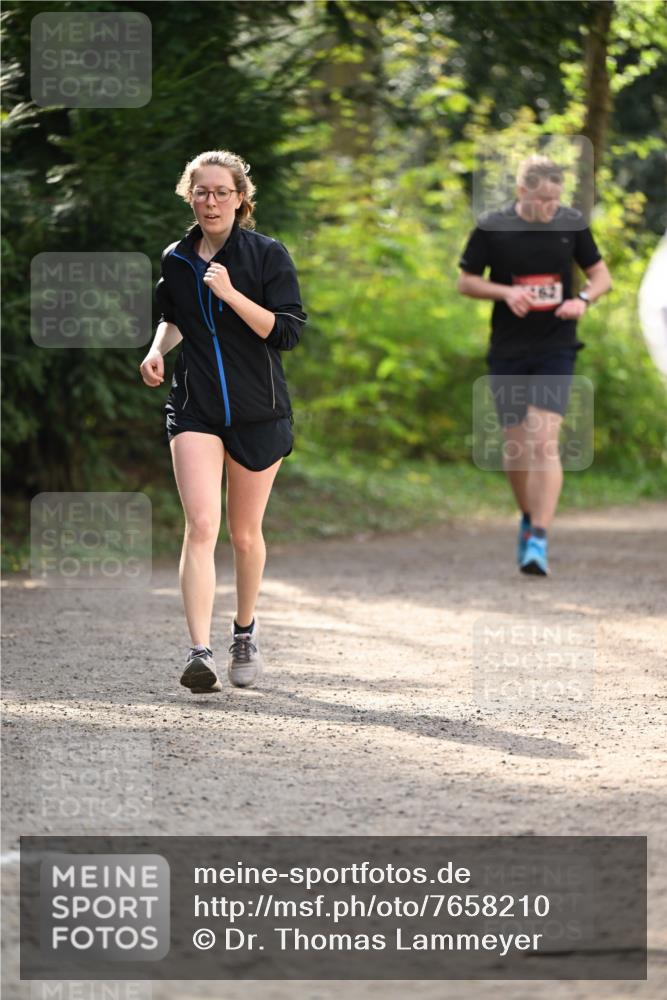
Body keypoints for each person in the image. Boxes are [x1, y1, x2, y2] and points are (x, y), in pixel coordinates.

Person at [139, 150, 306, 692]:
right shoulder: (176, 258)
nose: (211, 202)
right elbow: (173, 317)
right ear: (189, 196)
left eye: (221, 192)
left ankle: (244, 633)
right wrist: (157, 350)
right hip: (196, 406)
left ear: (240, 199)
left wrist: (231, 293)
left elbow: (287, 332)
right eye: (201, 192)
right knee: (202, 525)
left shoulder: (266, 255)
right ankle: (199, 652)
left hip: (259, 411)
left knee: (244, 534)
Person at [458, 154, 612, 575]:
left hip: (556, 347)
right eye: (543, 199)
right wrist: (506, 293)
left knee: (544, 441)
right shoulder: (492, 227)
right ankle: (528, 518)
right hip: (508, 350)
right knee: (517, 450)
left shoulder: (571, 224)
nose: (550, 207)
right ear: (521, 191)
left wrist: (582, 300)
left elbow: (602, 277)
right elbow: (466, 281)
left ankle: (539, 539)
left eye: (556, 199)